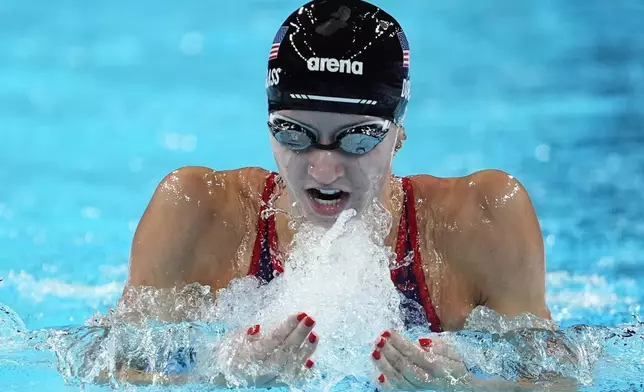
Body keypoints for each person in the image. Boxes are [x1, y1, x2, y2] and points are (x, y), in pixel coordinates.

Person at [118, 0, 552, 389]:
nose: (323, 169)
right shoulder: (196, 210)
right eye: (295, 134)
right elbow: (109, 367)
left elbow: (560, 378)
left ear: (397, 133)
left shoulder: (482, 219)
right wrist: (218, 375)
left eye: (357, 140)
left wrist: (468, 389)